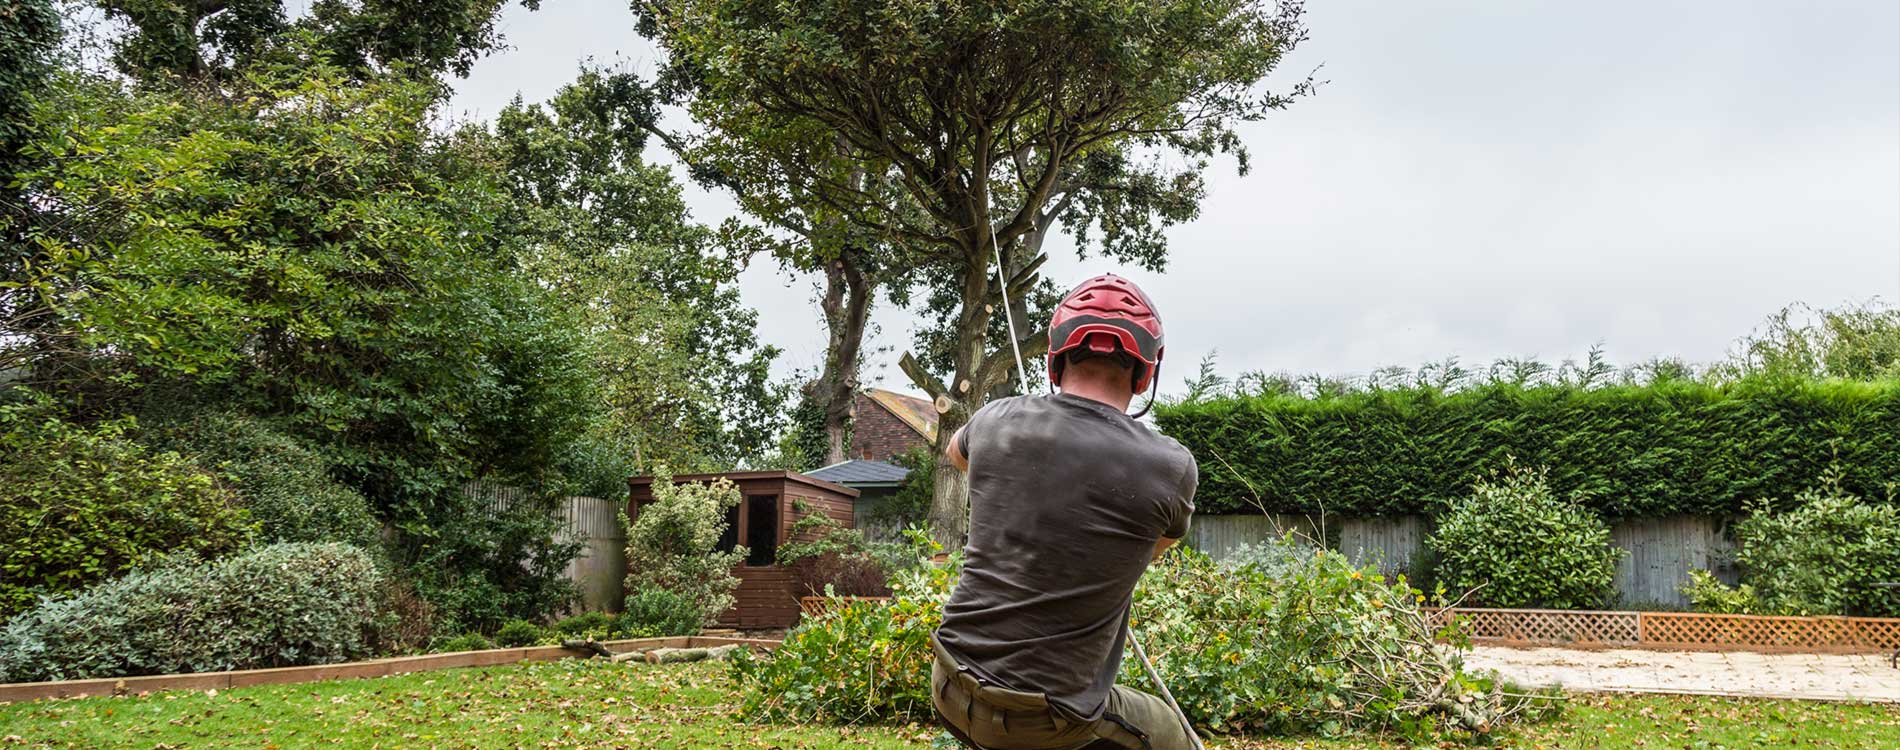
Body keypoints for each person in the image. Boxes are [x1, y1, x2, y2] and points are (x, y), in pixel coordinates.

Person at [930, 273, 1200, 750]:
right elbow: (1155, 547)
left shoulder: (995, 419)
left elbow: (956, 453)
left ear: (1056, 359)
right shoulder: (1171, 466)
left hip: (949, 682)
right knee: (1170, 735)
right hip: (1045, 717)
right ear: (1144, 374)